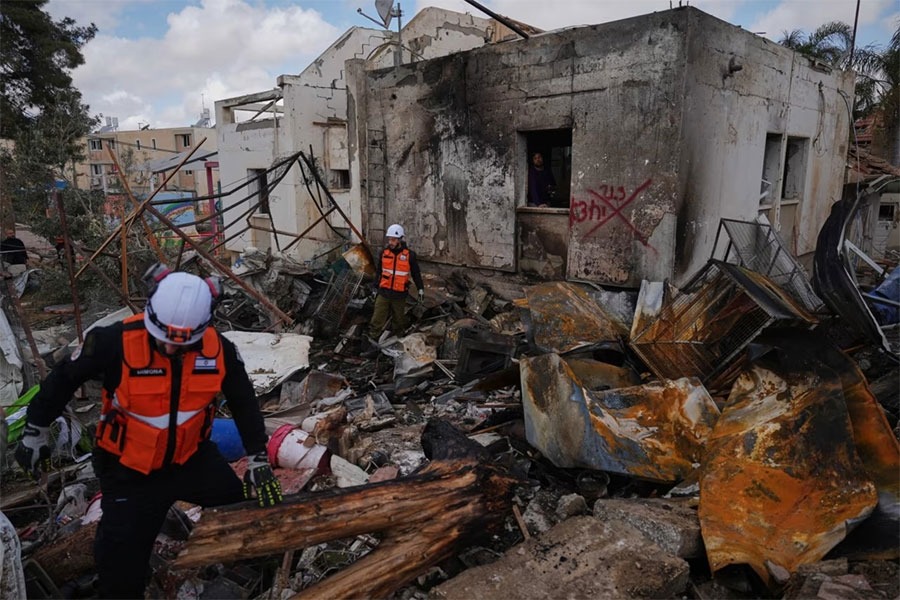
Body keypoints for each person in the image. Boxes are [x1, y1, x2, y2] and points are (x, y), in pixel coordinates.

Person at [15, 264, 283, 599]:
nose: (170, 350)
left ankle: (260, 577)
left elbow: (244, 402)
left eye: (181, 345)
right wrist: (36, 430)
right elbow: (62, 380)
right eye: (163, 340)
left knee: (242, 513)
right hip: (129, 468)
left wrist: (258, 457)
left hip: (192, 460)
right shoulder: (113, 341)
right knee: (120, 568)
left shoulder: (220, 351)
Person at [367, 224, 424, 343]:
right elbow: (379, 272)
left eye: (393, 240)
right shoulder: (384, 253)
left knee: (399, 320)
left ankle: (397, 341)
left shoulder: (410, 255)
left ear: (400, 239)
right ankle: (372, 338)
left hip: (399, 295)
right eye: (389, 239)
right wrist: (375, 288)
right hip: (384, 292)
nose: (390, 242)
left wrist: (420, 289)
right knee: (377, 318)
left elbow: (416, 273)